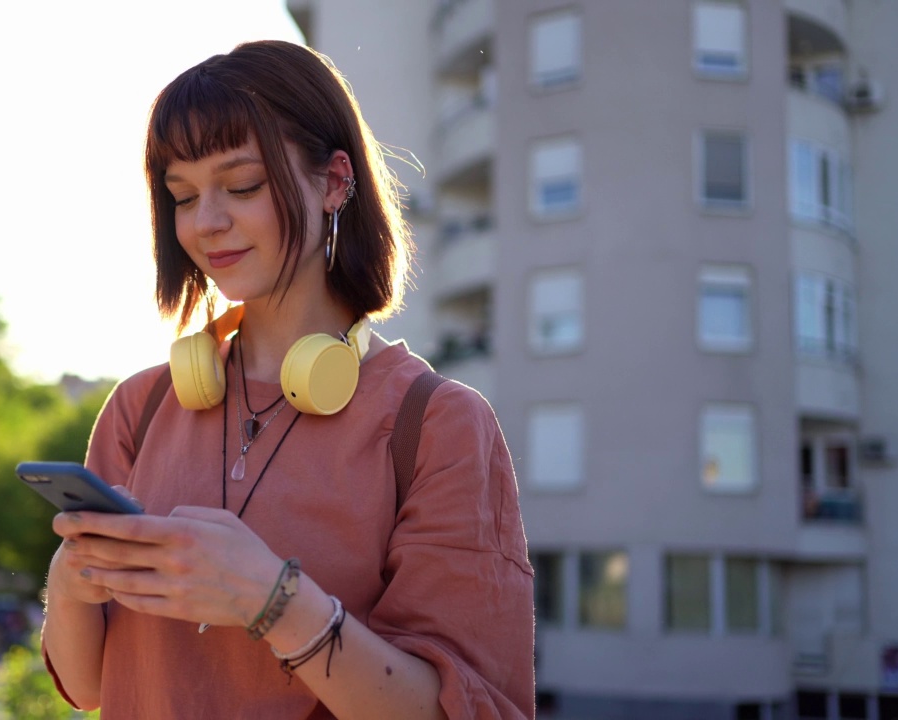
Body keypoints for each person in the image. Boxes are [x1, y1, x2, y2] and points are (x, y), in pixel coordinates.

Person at [41, 40, 534, 719]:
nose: (207, 223)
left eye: (241, 186)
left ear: (334, 182)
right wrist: (70, 587)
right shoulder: (140, 407)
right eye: (183, 196)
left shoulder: (439, 426)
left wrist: (272, 599)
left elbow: (468, 710)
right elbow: (91, 686)